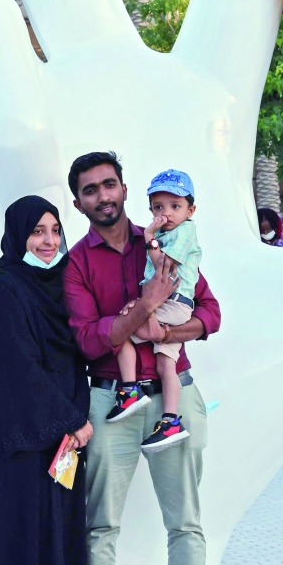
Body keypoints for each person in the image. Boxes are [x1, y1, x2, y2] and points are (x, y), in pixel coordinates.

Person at [63, 152, 221, 565]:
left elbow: (210, 312)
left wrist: (164, 329)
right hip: (111, 399)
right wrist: (147, 305)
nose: (103, 195)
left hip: (175, 392)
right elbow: (90, 340)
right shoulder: (77, 263)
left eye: (109, 184)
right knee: (100, 522)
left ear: (125, 189)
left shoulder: (167, 239)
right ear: (79, 202)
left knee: (185, 520)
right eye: (90, 190)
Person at [0, 196, 92, 565]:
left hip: (63, 436)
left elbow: (79, 354)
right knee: (18, 534)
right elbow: (19, 366)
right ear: (18, 236)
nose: (48, 241)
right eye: (37, 231)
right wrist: (70, 420)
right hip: (22, 436)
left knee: (54, 535)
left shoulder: (63, 285)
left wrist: (77, 418)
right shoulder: (4, 287)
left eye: (55, 230)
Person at [109, 169, 202, 451]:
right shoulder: (168, 233)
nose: (166, 213)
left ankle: (129, 391)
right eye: (159, 207)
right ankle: (171, 421)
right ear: (151, 208)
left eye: (175, 206)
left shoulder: (184, 232)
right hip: (171, 305)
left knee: (122, 331)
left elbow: (163, 265)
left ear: (190, 210)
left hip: (174, 304)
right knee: (165, 365)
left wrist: (149, 235)